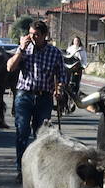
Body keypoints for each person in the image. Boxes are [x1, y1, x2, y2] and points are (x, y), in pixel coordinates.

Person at [6, 20, 67, 177]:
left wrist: (59, 89)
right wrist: (21, 49)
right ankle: (21, 169)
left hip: (44, 98)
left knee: (41, 135)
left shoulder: (54, 53)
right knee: (22, 131)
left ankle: (39, 170)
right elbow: (10, 67)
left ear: (45, 36)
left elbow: (61, 76)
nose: (32, 37)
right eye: (30, 34)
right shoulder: (24, 49)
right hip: (24, 95)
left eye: (36, 35)